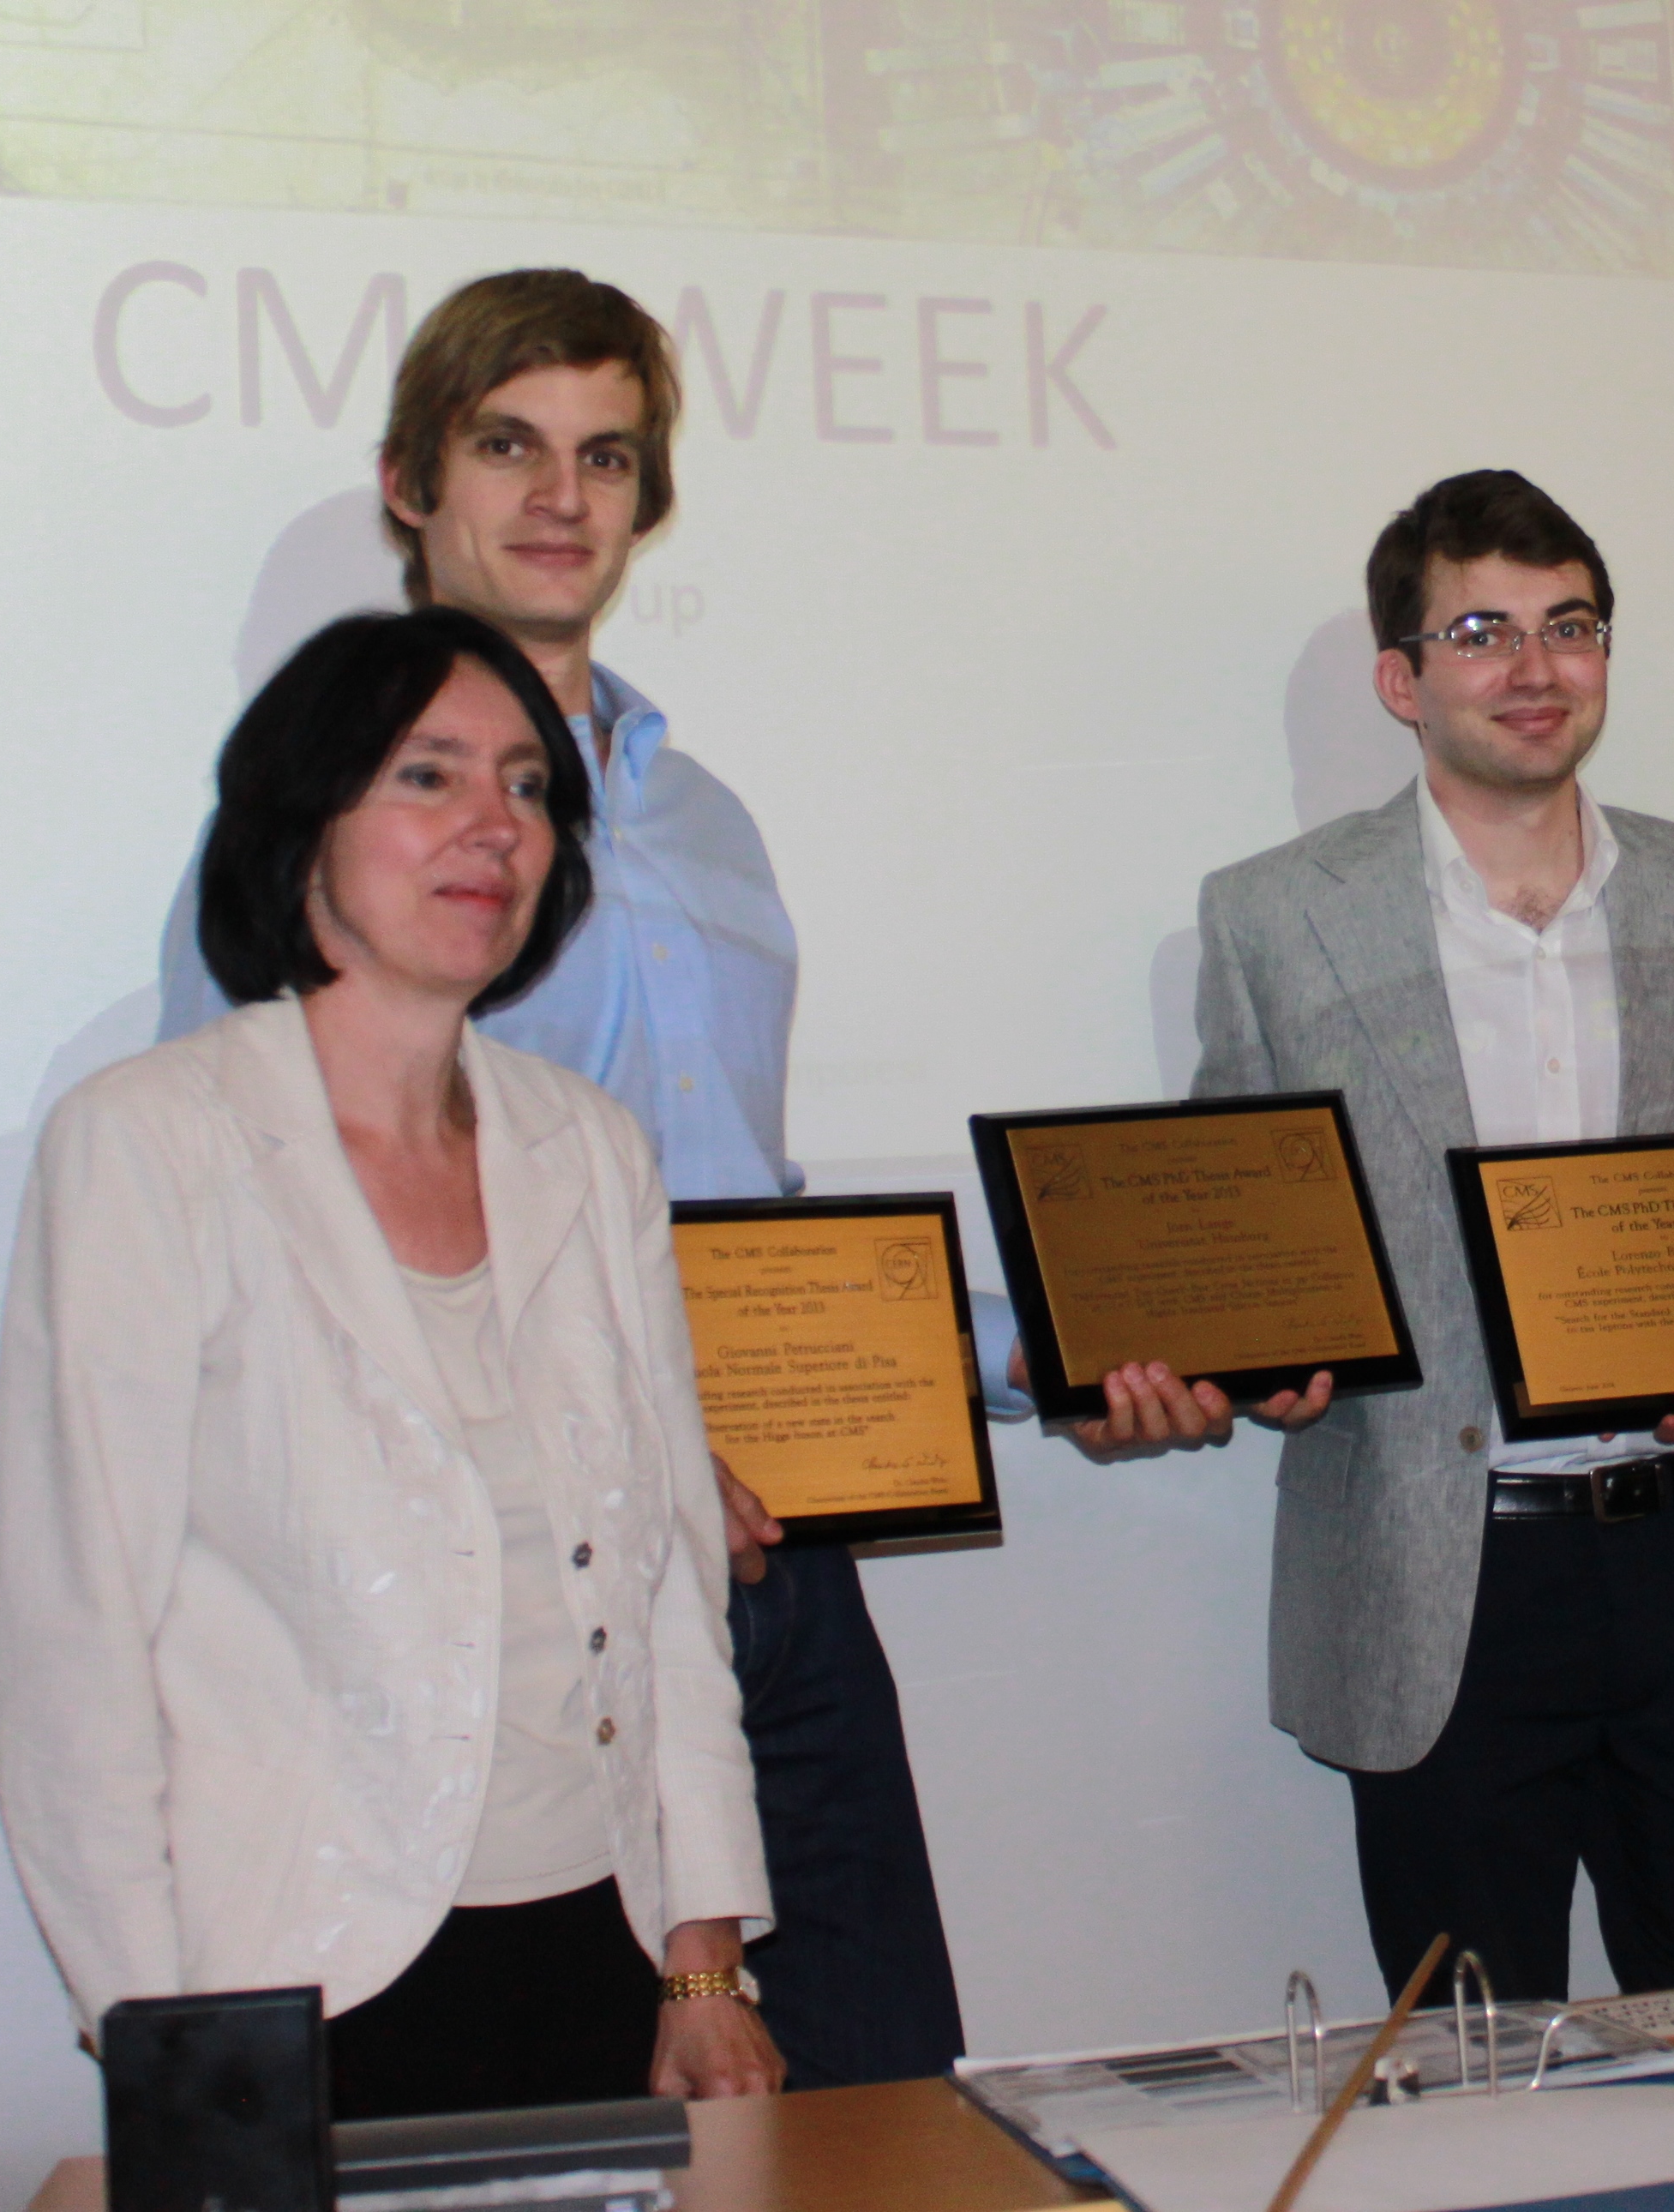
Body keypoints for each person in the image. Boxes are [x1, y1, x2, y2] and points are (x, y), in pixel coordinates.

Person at [153, 270, 1093, 2085]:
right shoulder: (319, 830)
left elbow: (755, 1221)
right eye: (508, 444)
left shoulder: (703, 818)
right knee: (591, 2125)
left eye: (606, 453)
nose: (560, 494)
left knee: (880, 2110)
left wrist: (1050, 1351)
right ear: (411, 484)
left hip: (787, 1577)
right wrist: (631, 1458)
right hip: (521, 1608)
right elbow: (264, 1234)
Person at [0, 608, 777, 2116]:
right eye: (428, 777)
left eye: (528, 787)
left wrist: (704, 1967)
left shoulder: (588, 1148)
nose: (495, 824)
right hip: (293, 1977)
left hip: (605, 1952)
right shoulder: (151, 1144)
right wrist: (161, 2037)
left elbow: (671, 1585)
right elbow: (70, 1640)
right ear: (302, 831)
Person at [1170, 468, 1674, 2005]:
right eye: (1481, 631)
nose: (1534, 670)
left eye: (1569, 626)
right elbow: (1246, 1225)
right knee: (1476, 2080)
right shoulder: (1274, 915)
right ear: (1400, 679)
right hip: (1435, 1574)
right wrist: (1253, 1354)